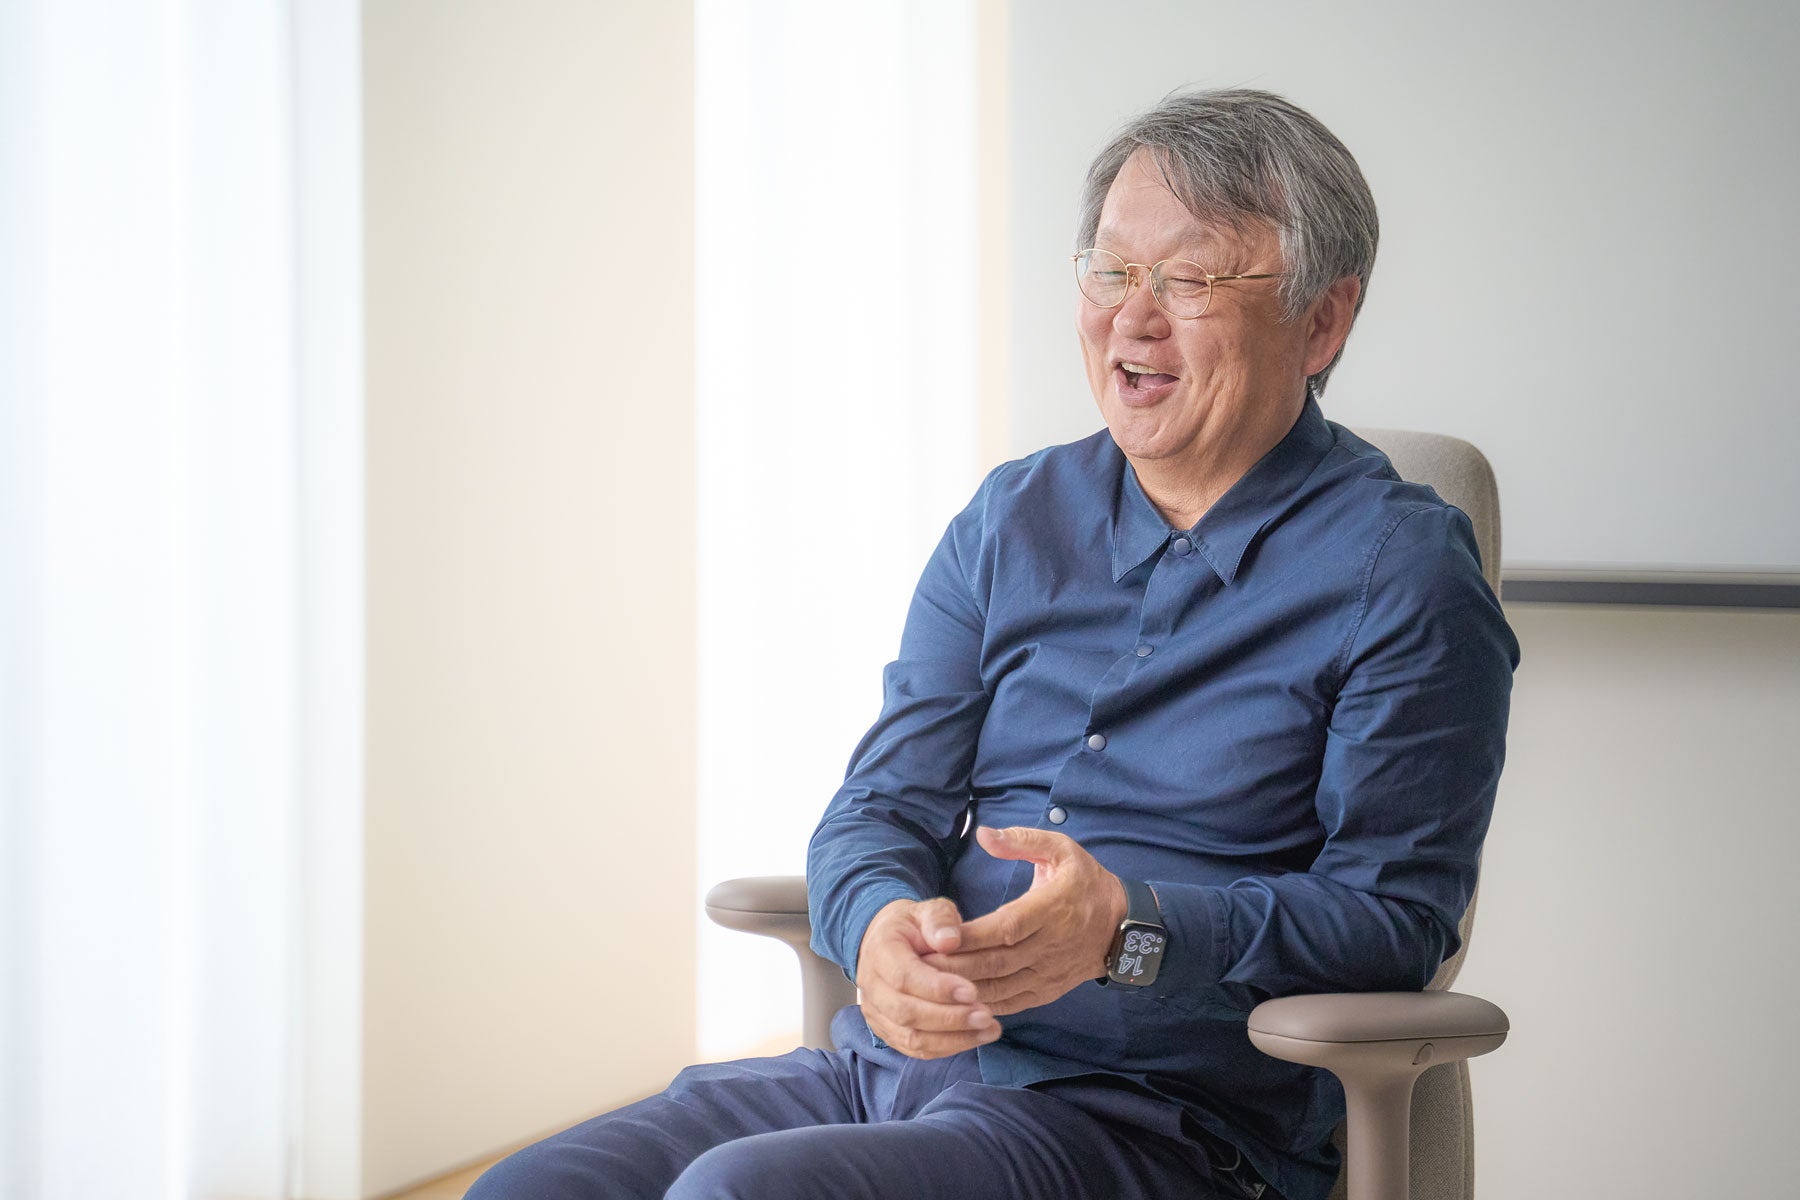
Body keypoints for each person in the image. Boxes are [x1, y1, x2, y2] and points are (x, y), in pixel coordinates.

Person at [469, 86, 1518, 1200]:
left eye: (1193, 278)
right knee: (530, 1190)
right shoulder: (1014, 518)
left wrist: (1129, 930)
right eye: (1111, 271)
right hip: (895, 1074)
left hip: (1156, 1125)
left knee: (737, 1196)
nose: (1133, 317)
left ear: (1323, 320)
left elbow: (1394, 923)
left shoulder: (1401, 570)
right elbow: (878, 810)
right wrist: (877, 924)